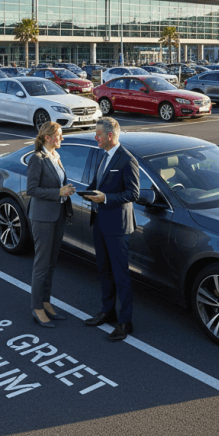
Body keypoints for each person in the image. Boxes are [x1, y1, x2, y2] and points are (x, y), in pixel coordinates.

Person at [81, 117, 140, 342]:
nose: (95, 137)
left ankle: (125, 322)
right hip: (100, 222)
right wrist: (85, 193)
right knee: (104, 271)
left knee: (121, 275)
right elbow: (97, 183)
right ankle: (108, 312)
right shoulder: (103, 155)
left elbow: (133, 193)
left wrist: (105, 198)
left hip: (117, 227)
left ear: (109, 135)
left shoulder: (127, 160)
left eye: (98, 134)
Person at [25, 122, 75, 328]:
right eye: (59, 135)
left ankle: (46, 302)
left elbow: (57, 183)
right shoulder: (37, 159)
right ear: (47, 137)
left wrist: (65, 191)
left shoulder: (55, 156)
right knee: (42, 265)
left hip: (58, 215)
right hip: (43, 218)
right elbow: (31, 189)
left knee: (52, 263)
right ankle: (37, 308)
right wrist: (58, 192)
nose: (62, 138)